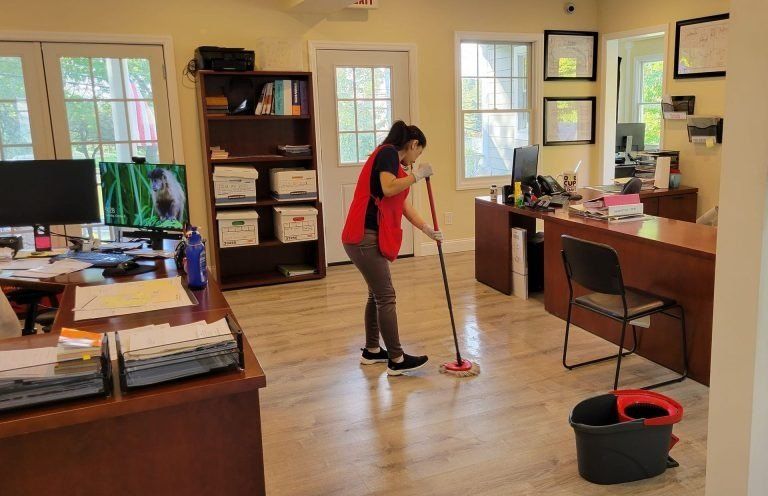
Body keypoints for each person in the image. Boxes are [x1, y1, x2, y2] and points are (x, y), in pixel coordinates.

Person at [341, 121, 442, 376]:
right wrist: (417, 176)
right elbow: (387, 189)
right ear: (412, 144)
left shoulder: (392, 163)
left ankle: (372, 351)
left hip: (361, 238)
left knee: (375, 294)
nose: (416, 159)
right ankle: (396, 359)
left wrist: (426, 229)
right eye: (418, 153)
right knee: (386, 296)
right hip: (364, 238)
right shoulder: (387, 153)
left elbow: (403, 206)